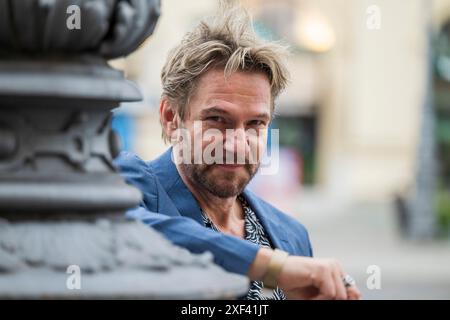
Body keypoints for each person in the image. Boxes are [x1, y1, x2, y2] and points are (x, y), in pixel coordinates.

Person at [114, 2, 361, 300]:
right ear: (171, 117)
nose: (237, 144)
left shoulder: (292, 235)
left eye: (255, 123)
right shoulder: (131, 187)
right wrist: (271, 268)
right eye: (217, 120)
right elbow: (121, 226)